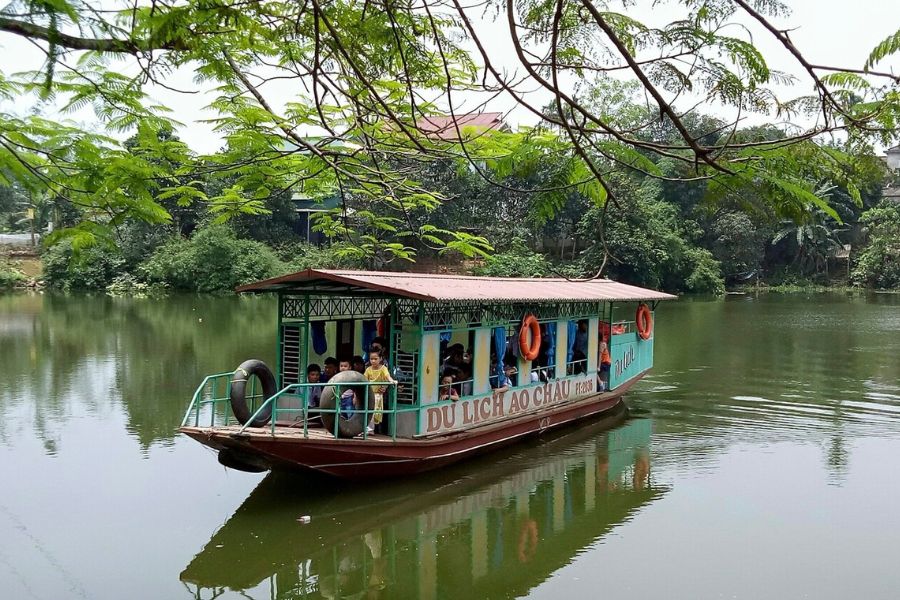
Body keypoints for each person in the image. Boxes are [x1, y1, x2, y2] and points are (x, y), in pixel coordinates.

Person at [364, 350, 396, 434]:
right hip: (369, 393)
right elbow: (364, 380)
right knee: (367, 410)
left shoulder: (383, 368)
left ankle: (370, 429)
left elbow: (387, 376)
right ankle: (368, 429)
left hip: (377, 394)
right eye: (371, 359)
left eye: (375, 359)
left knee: (374, 411)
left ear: (380, 359)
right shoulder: (368, 369)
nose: (373, 361)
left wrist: (392, 381)